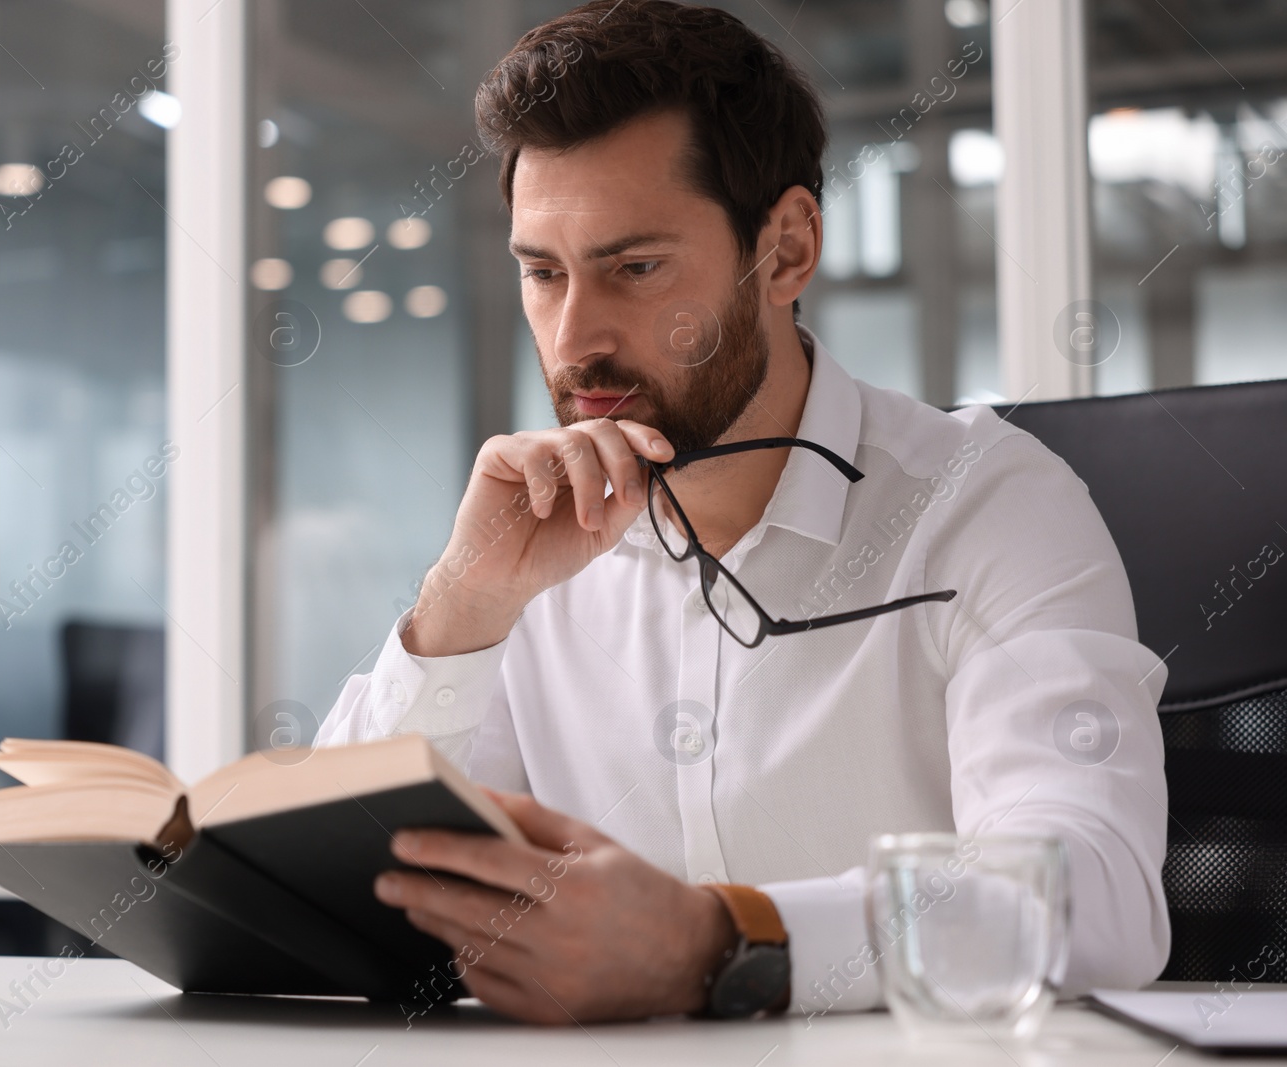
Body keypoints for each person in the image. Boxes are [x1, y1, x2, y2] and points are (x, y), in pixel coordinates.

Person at [318, 0, 1169, 1024]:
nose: (573, 338)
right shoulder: (537, 532)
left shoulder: (989, 504)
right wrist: (461, 611)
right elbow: (335, 892)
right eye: (542, 273)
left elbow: (1097, 894)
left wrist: (721, 942)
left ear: (787, 250)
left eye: (634, 269)